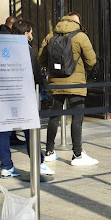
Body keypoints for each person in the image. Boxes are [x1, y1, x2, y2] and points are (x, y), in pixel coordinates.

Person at [38, 12, 98, 166]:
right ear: (77, 22)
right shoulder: (81, 36)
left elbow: (41, 59)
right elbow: (91, 60)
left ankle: (49, 151)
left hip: (56, 83)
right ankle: (77, 154)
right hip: (76, 83)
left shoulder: (51, 35)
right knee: (77, 118)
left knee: (54, 116)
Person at [0, 19, 54, 178]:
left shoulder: (1, 47)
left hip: (4, 95)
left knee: (4, 131)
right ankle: (39, 163)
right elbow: (36, 74)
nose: (32, 35)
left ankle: (7, 166)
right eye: (30, 32)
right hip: (23, 95)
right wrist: (42, 87)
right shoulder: (27, 50)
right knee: (31, 131)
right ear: (25, 34)